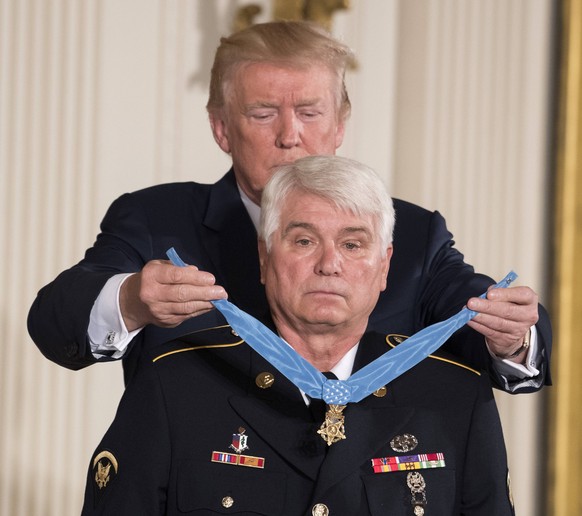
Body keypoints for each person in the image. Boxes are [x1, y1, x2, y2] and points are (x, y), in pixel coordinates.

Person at [27, 20, 550, 393]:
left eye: (308, 111)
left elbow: (492, 320)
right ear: (221, 128)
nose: (289, 136)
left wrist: (514, 334)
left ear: (340, 125)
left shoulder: (412, 233)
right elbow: (55, 324)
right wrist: (134, 300)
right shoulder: (156, 220)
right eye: (262, 113)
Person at [81, 156, 515, 515]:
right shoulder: (175, 387)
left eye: (352, 244)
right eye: (304, 241)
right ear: (265, 259)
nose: (329, 264)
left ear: (384, 267)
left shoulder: (455, 395)